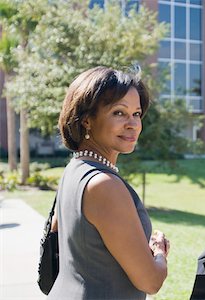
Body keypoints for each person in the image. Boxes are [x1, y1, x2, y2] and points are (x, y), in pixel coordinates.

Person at [48, 66, 169, 299]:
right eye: (119, 113)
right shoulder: (104, 185)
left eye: (136, 113)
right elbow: (150, 281)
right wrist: (159, 252)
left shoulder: (75, 169)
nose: (133, 124)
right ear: (87, 120)